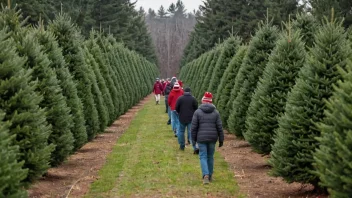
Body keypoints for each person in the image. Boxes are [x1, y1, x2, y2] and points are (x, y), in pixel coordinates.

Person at [191, 92, 224, 185]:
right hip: (212, 138)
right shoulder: (216, 112)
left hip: (201, 138)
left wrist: (193, 140)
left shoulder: (197, 112)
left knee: (203, 156)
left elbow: (193, 128)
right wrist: (221, 139)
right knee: (210, 156)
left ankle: (205, 175)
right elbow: (219, 127)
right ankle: (210, 175)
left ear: (203, 101)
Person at [175, 87, 198, 152]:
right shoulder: (193, 99)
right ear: (190, 92)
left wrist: (180, 112)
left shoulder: (180, 98)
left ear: (184, 91)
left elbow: (176, 107)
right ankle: (194, 147)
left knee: (181, 132)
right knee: (191, 132)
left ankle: (182, 146)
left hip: (182, 117)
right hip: (191, 118)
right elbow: (196, 108)